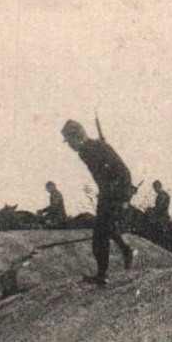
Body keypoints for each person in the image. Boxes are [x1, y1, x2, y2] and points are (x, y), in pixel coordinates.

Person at [62, 119, 136, 284]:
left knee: (100, 235)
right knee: (106, 228)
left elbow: (124, 171)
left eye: (69, 140)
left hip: (116, 194)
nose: (69, 146)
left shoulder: (96, 148)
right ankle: (126, 250)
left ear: (78, 136)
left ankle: (103, 274)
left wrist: (124, 197)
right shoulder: (85, 152)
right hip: (106, 195)